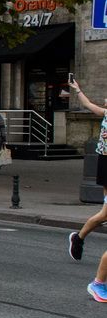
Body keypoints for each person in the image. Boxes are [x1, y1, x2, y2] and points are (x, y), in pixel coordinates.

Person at [67, 78, 107, 261]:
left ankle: (79, 238)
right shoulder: (106, 113)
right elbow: (88, 104)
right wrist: (77, 89)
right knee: (104, 214)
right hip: (105, 164)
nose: (105, 100)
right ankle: (78, 238)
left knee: (104, 215)